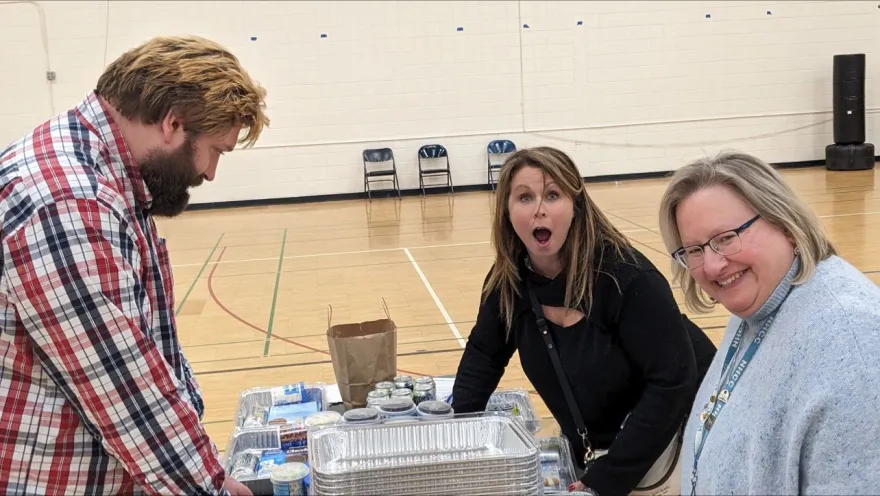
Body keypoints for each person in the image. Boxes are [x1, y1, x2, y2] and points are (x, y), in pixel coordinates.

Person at [0, 35, 269, 495]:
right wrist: (209, 486)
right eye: (216, 151)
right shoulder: (70, 203)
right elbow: (125, 394)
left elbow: (145, 345)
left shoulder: (102, 173)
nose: (210, 173)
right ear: (172, 123)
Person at [451, 146, 716, 496]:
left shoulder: (626, 277)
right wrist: (456, 439)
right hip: (596, 450)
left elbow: (672, 383)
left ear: (576, 206)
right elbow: (484, 356)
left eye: (553, 195)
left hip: (676, 439)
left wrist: (609, 476)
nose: (540, 209)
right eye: (525, 197)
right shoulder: (507, 283)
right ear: (507, 212)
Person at [657, 150, 880, 495]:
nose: (713, 266)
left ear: (784, 222)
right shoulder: (758, 305)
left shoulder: (851, 342)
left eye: (727, 238)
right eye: (695, 250)